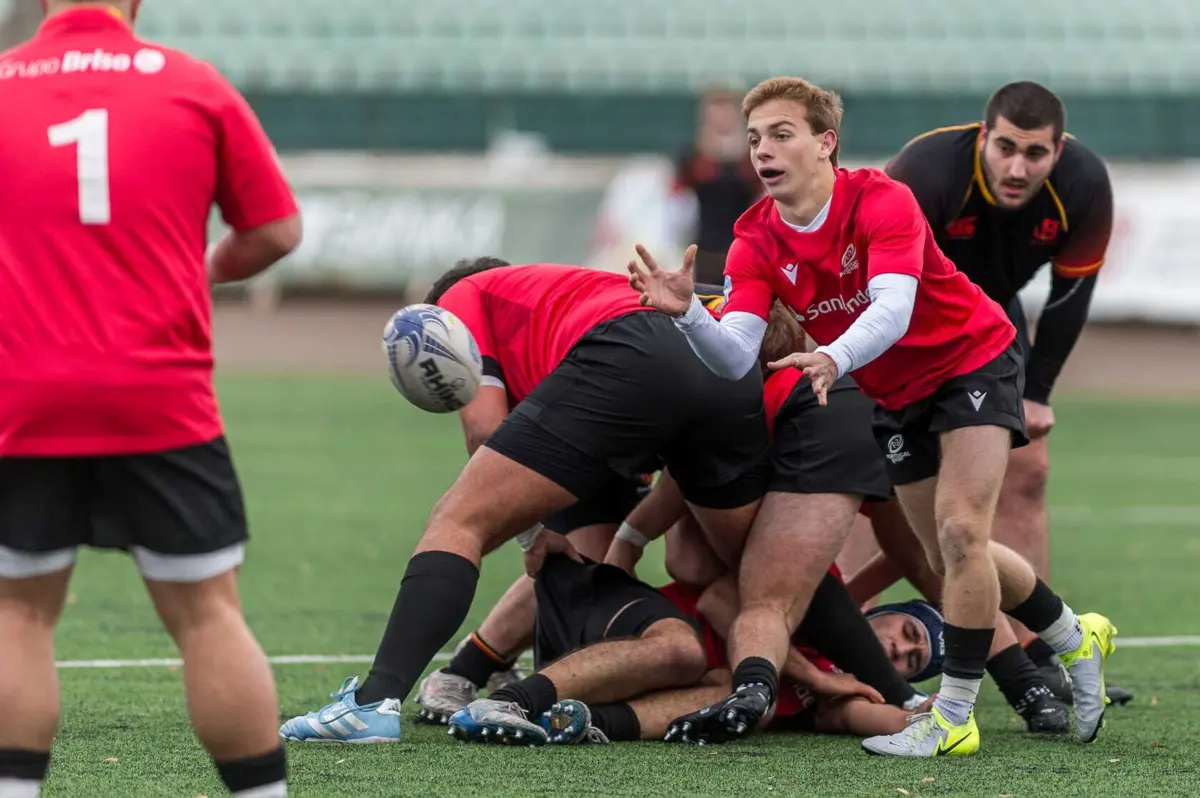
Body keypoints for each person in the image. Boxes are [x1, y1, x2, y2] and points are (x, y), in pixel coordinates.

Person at [628, 75, 1116, 757]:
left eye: (781, 133)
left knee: (957, 527)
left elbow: (894, 307)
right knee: (947, 554)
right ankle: (1072, 635)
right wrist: (686, 319)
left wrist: (830, 357)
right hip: (893, 394)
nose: (762, 150)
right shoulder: (753, 240)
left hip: (971, 358)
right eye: (754, 138)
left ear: (827, 142)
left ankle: (952, 718)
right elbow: (736, 356)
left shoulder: (883, 198)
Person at [0, 2, 302, 796]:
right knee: (207, 614)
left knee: (19, 613)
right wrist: (195, 269)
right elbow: (276, 230)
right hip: (158, 394)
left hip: (22, 396)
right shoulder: (193, 84)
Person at [279, 260, 770, 744]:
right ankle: (816, 672)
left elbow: (485, 429)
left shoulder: (463, 297)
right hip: (731, 375)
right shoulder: (566, 312)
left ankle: (374, 702)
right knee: (751, 572)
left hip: (634, 353)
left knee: (460, 518)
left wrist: (531, 532)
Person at [884, 81, 1131, 705]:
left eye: (1036, 154)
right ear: (983, 136)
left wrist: (1038, 392)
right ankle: (869, 648)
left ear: (1058, 150)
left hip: (993, 327)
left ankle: (1038, 653)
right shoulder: (924, 171)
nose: (1017, 168)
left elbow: (1073, 295)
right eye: (1006, 148)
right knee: (883, 492)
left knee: (1027, 470)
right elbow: (883, 281)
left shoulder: (1083, 182)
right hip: (909, 325)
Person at [447, 554, 941, 745]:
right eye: (907, 632)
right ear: (886, 611)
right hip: (616, 627)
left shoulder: (844, 686)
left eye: (910, 661)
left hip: (615, 683)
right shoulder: (813, 584)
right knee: (689, 654)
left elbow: (861, 716)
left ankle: (588, 723)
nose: (897, 649)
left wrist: (932, 716)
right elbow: (721, 602)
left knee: (742, 698)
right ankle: (499, 693)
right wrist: (814, 676)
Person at [668, 88, 763, 285]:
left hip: (744, 248)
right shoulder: (691, 156)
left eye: (727, 111)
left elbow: (764, 197)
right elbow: (676, 202)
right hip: (704, 250)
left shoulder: (754, 155)